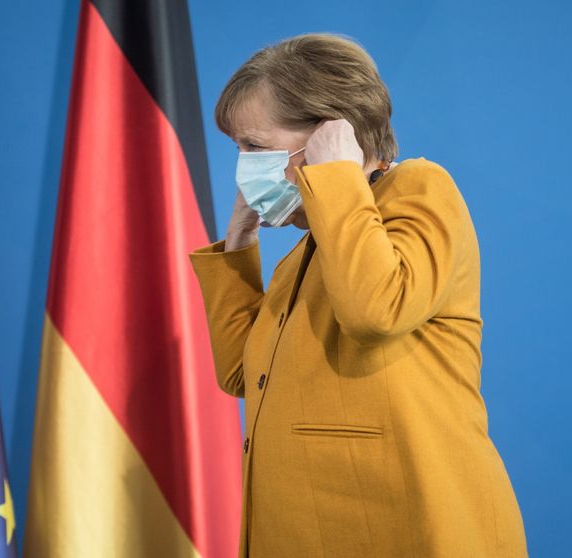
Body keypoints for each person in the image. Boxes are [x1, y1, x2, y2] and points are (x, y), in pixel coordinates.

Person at [189, 34, 528, 558]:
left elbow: (376, 309)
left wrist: (336, 177)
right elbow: (240, 373)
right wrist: (241, 241)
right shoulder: (312, 249)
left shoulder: (418, 189)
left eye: (254, 146)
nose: (243, 166)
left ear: (332, 134)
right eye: (238, 149)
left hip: (408, 530)